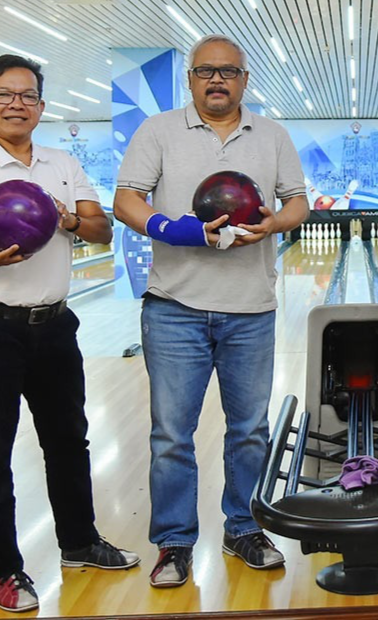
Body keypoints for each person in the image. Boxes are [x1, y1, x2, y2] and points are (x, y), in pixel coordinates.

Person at [0, 54, 139, 613]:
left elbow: (101, 228)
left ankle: (80, 543)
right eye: (4, 94)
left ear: (41, 106)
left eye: (27, 96)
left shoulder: (62, 163)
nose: (16, 103)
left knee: (69, 441)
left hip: (54, 326)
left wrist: (68, 219)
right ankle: (6, 571)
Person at [113, 34, 309, 588]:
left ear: (244, 79)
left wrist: (275, 223)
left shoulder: (271, 135)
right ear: (191, 79)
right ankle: (174, 543)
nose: (217, 79)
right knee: (171, 434)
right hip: (174, 307)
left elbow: (296, 200)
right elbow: (126, 198)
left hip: (250, 308)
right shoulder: (158, 131)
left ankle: (244, 527)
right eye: (205, 71)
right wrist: (171, 228)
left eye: (228, 71)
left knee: (250, 430)